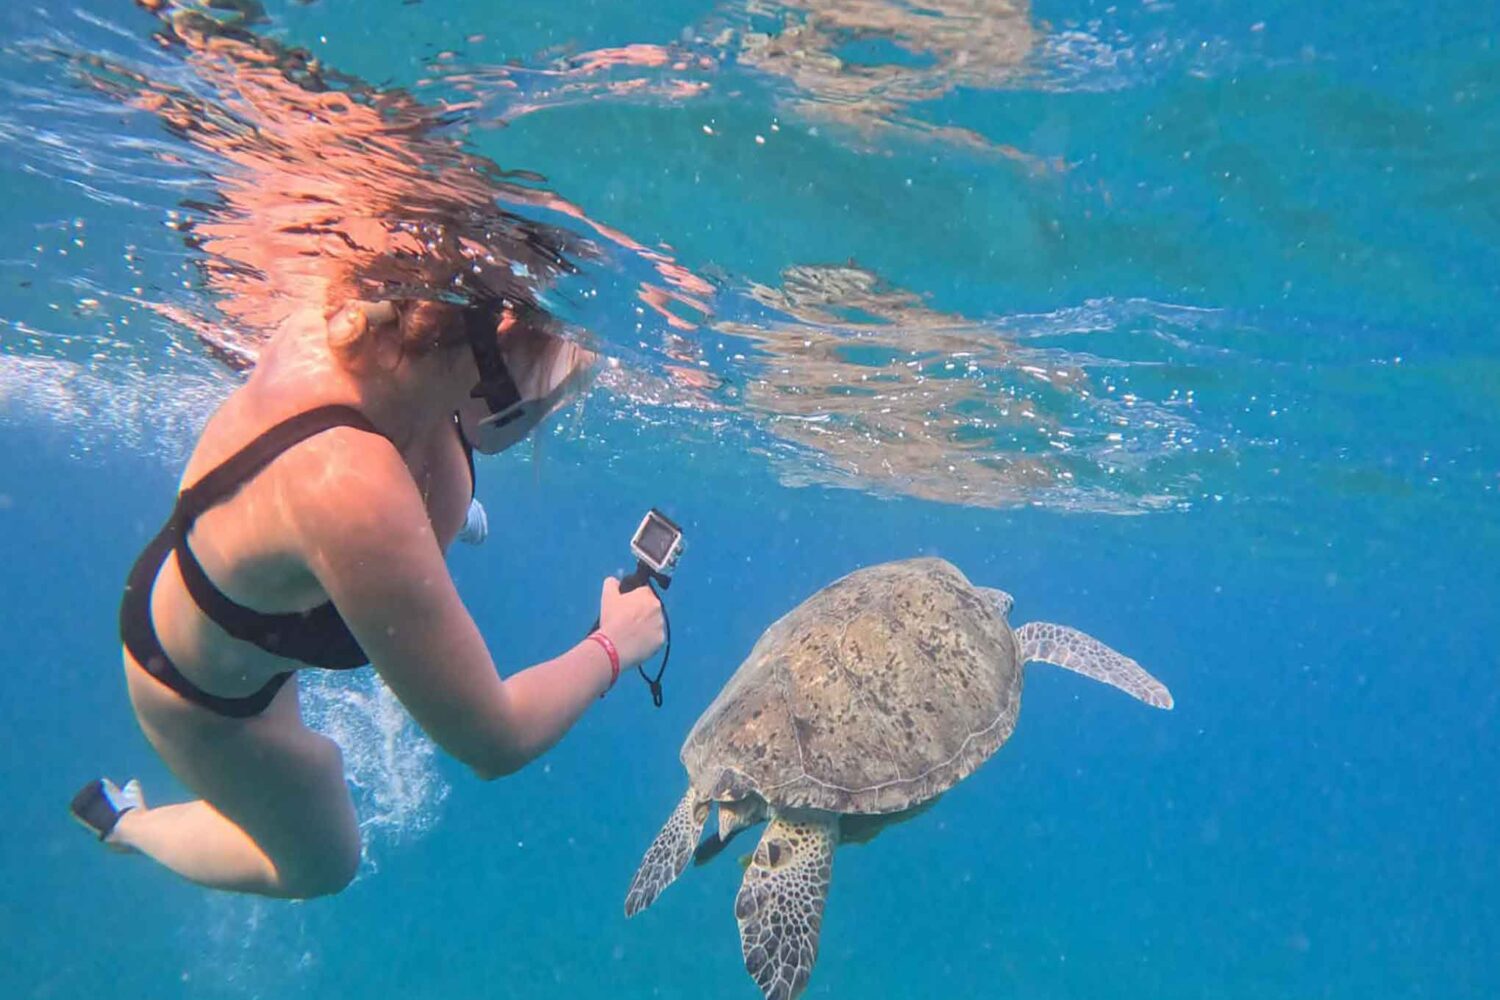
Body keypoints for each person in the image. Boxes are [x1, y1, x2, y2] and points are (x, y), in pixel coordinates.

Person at [69, 292, 665, 899]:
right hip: (198, 696)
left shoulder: (392, 347)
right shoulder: (351, 489)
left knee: (430, 498)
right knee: (323, 866)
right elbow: (494, 741)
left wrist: (435, 515)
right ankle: (127, 825)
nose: (547, 414)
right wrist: (615, 644)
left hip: (246, 590)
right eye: (552, 398)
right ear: (499, 355)